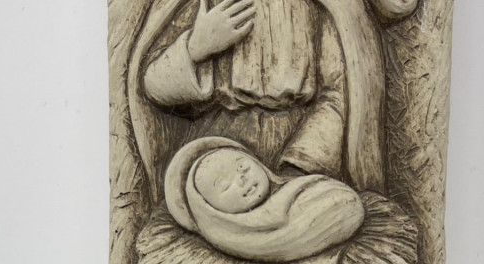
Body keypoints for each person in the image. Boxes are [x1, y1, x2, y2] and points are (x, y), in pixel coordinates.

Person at [127, 0, 386, 203]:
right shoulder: (204, 4)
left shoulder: (320, 8)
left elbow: (337, 91)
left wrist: (301, 165)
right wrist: (195, 47)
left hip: (301, 142)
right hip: (219, 145)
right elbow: (153, 87)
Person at [164, 137, 365, 264]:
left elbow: (347, 204)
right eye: (225, 185)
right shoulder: (246, 239)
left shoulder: (301, 189)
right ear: (208, 210)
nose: (242, 179)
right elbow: (344, 208)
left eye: (242, 167)